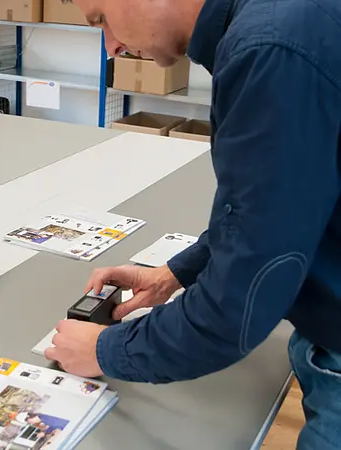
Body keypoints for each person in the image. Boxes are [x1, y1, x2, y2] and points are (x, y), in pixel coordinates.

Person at [44, 0, 341, 448]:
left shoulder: (268, 49)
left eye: (102, 19)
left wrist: (103, 351)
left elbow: (236, 308)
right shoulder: (279, 20)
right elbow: (277, 210)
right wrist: (174, 274)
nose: (110, 47)